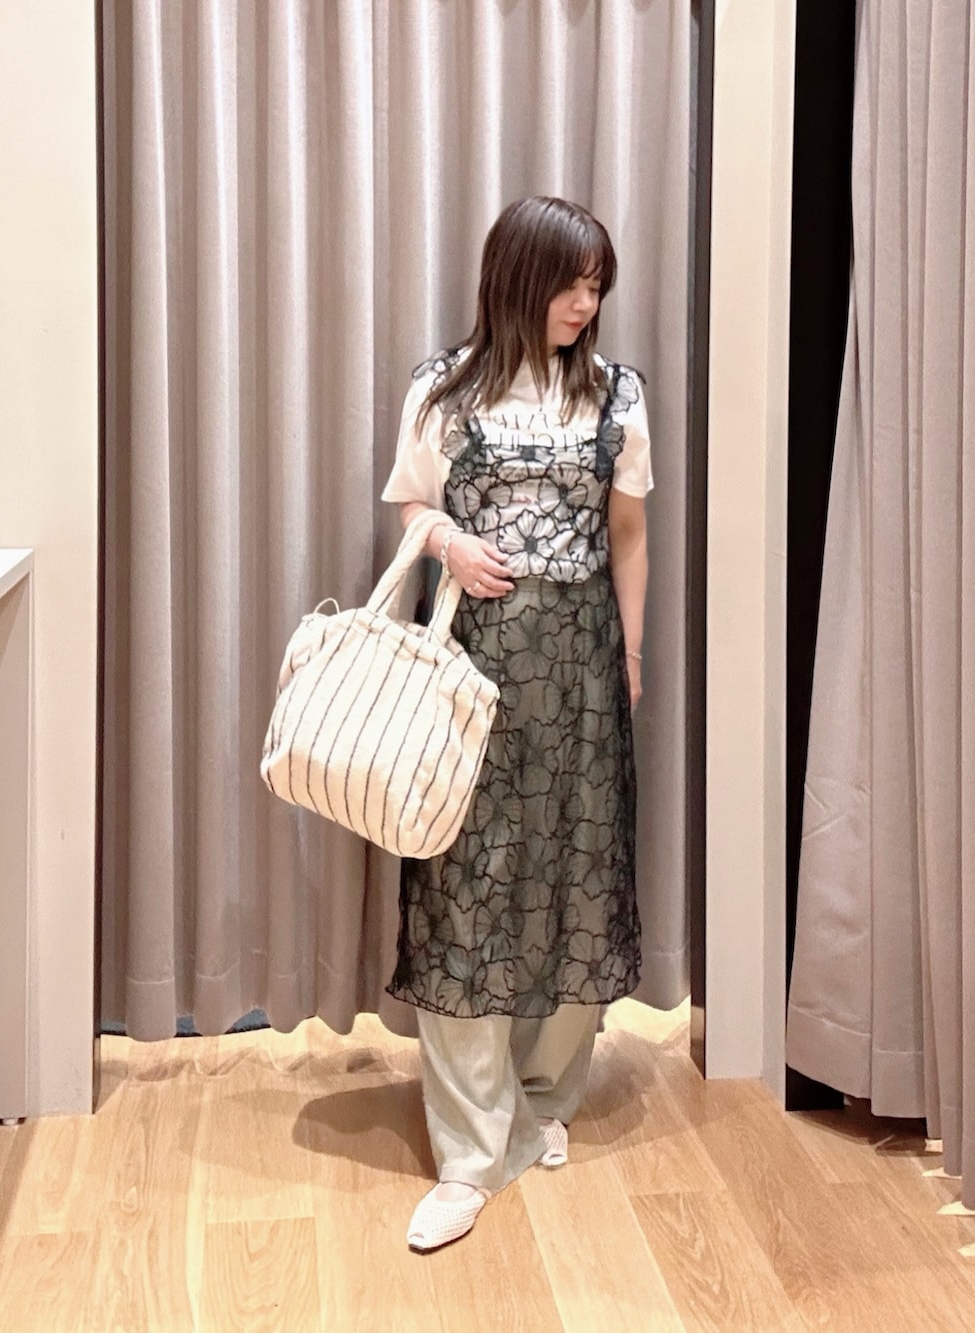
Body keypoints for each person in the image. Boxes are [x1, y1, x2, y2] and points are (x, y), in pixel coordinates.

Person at [381, 196, 652, 1252]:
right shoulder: (444, 389)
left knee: (575, 879)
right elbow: (412, 506)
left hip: (581, 664)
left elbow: (627, 531)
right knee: (465, 889)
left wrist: (631, 654)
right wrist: (449, 542)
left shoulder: (617, 394)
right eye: (569, 283)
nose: (585, 304)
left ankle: (541, 1098)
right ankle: (467, 1148)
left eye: (597, 286)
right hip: (472, 666)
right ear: (517, 279)